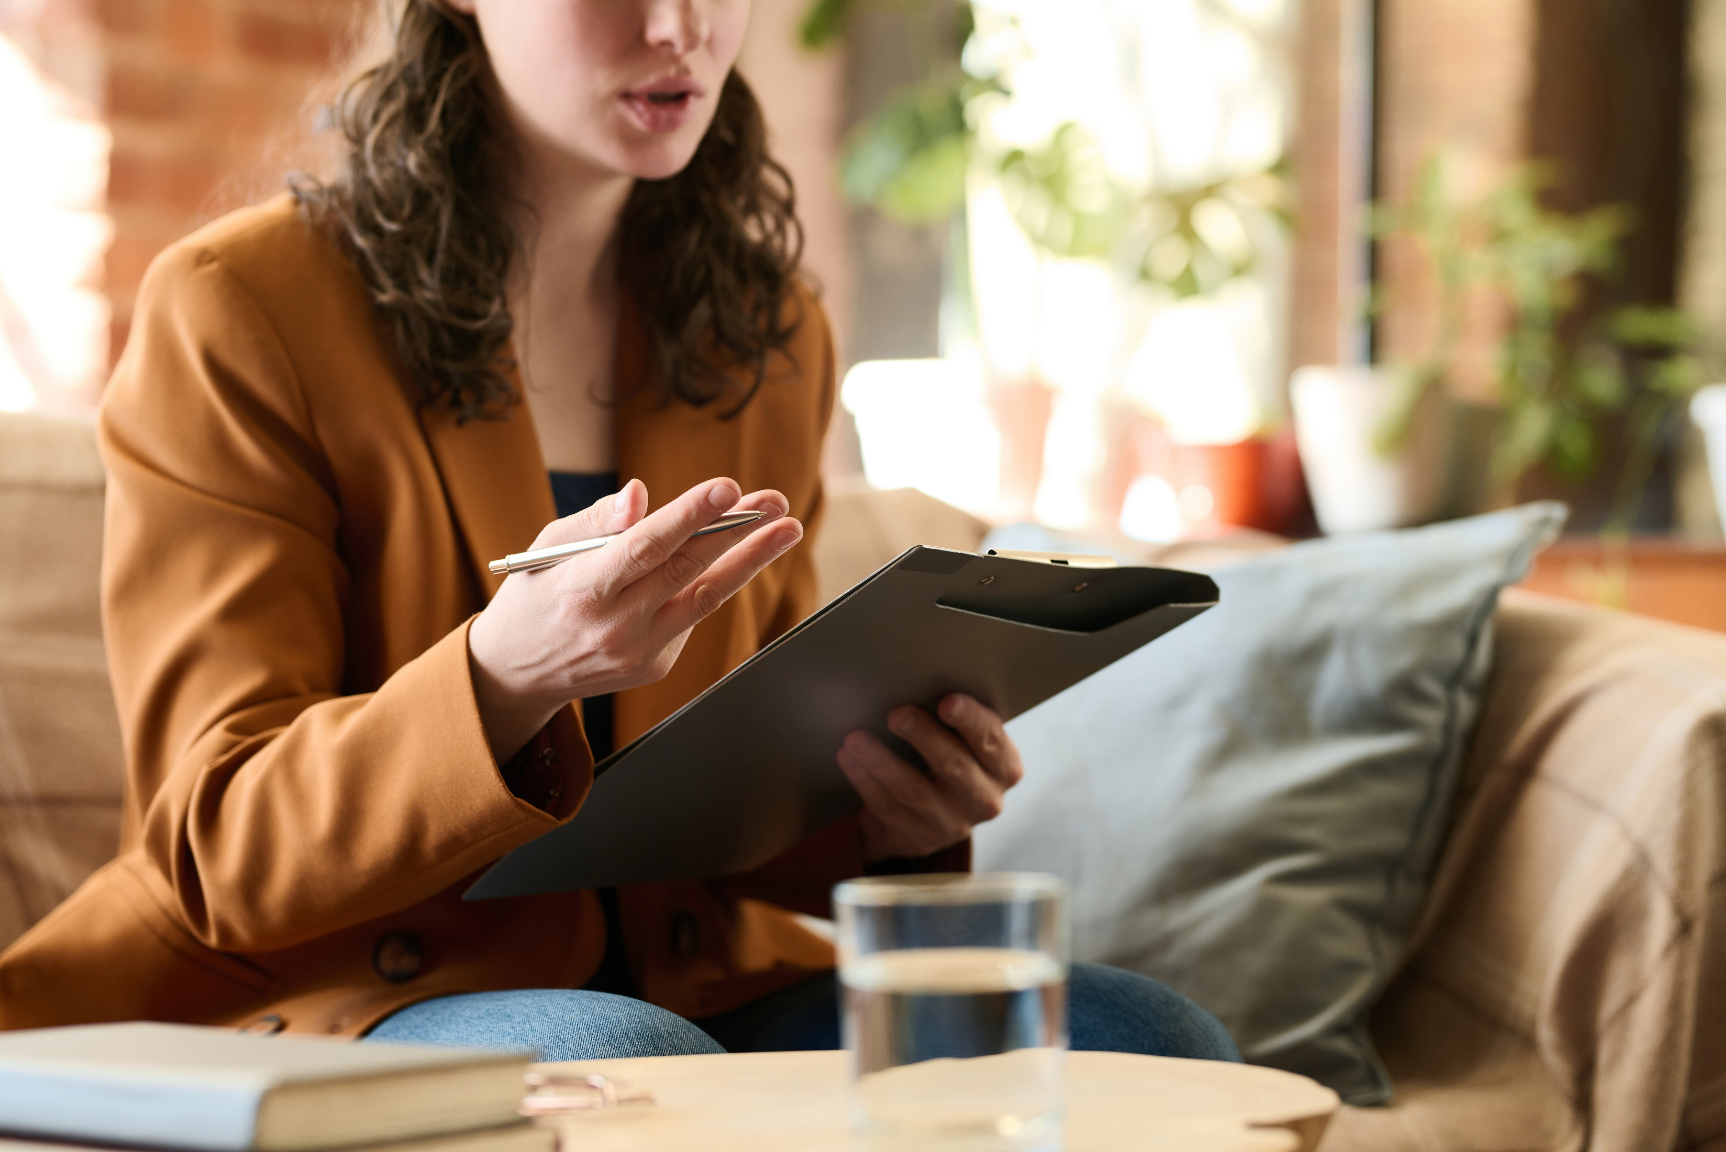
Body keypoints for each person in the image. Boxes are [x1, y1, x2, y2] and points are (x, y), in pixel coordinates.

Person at [0, 0, 1238, 1063]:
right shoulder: (241, 312)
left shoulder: (765, 332)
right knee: (627, 1067)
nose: (678, 27)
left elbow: (733, 798)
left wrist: (892, 818)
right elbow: (218, 844)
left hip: (691, 981)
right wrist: (504, 674)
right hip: (345, 994)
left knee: (1149, 1040)